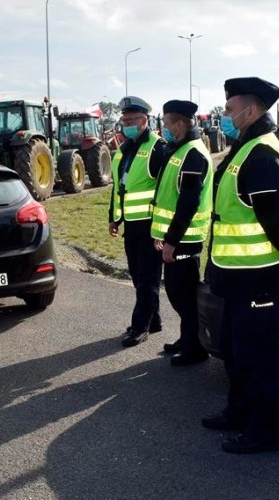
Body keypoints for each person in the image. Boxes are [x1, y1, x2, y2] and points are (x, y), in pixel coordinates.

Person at [201, 77, 279, 454]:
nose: (225, 115)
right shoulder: (244, 146)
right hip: (235, 275)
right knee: (235, 349)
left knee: (258, 356)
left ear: (252, 109)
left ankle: (265, 432)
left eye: (230, 109)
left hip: (259, 277)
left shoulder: (261, 154)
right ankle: (240, 411)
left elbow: (274, 217)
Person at [150, 100, 213, 366]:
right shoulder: (181, 149)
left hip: (185, 240)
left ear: (179, 124)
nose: (163, 128)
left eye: (166, 123)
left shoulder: (193, 154)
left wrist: (172, 241)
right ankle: (187, 338)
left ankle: (195, 348)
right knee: (178, 294)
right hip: (177, 238)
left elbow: (188, 203)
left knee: (184, 296)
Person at [108, 96, 166, 348]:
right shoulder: (124, 149)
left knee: (147, 278)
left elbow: (166, 190)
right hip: (131, 224)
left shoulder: (157, 147)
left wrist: (162, 228)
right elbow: (118, 188)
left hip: (150, 224)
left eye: (132, 119)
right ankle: (154, 320)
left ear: (145, 121)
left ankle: (140, 326)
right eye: (125, 120)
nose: (127, 124)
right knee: (137, 275)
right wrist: (114, 217)